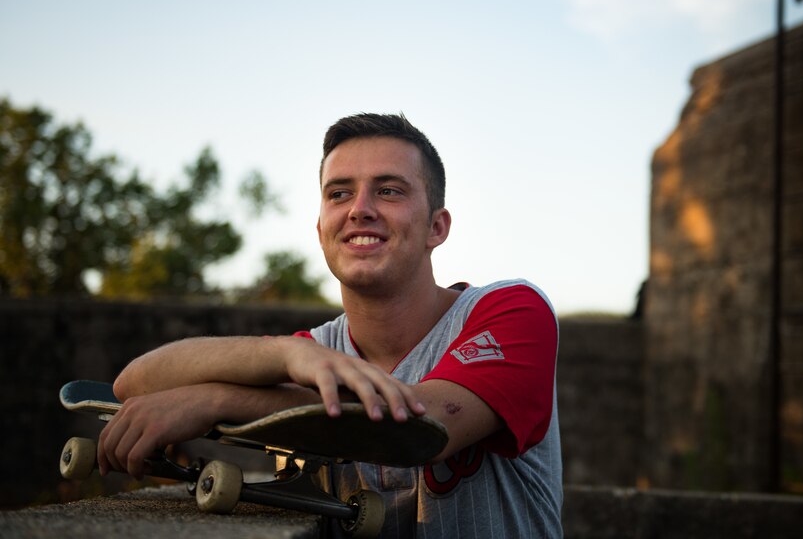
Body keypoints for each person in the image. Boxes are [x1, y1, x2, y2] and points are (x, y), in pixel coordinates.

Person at [97, 113, 563, 537]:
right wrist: (284, 354)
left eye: (389, 190)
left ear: (436, 228)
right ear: (321, 229)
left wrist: (218, 398)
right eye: (339, 194)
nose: (359, 208)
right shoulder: (313, 353)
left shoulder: (511, 312)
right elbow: (133, 383)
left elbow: (421, 429)